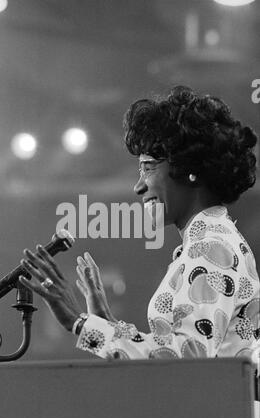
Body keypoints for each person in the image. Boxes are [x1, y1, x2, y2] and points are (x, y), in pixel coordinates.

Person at [19, 85, 260, 363]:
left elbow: (191, 360)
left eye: (148, 167)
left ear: (189, 170)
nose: (138, 186)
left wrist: (80, 323)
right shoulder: (211, 242)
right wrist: (105, 322)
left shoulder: (211, 247)